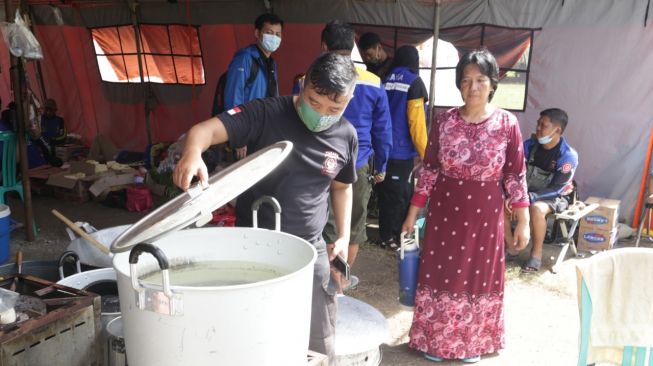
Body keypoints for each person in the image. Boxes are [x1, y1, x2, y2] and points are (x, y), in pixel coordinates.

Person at [173, 52, 358, 365]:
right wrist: (192, 153)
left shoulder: (345, 135)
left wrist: (342, 235)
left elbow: (342, 188)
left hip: (310, 250)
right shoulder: (265, 113)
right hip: (254, 246)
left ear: (349, 100)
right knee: (252, 334)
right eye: (314, 102)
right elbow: (203, 131)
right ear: (303, 85)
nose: (322, 113)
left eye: (334, 108)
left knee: (319, 337)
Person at [401, 48, 530, 363]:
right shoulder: (445, 121)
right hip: (445, 211)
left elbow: (515, 175)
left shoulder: (506, 123)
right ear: (459, 84)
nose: (473, 87)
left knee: (477, 275)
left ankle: (472, 343)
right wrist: (412, 213)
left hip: (485, 215)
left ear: (493, 83)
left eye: (481, 80)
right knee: (439, 272)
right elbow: (429, 170)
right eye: (466, 80)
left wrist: (523, 220)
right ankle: (432, 340)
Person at [319, 20, 392, 291]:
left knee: (324, 222)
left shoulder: (309, 79)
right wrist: (381, 165)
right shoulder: (373, 82)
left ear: (323, 46)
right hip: (358, 164)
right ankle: (342, 280)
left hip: (318, 163)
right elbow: (383, 131)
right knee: (352, 224)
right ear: (352, 47)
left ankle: (326, 277)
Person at [504, 108, 578, 272]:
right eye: (538, 124)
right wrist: (511, 194)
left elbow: (558, 188)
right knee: (502, 202)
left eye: (543, 125)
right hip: (525, 192)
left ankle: (535, 255)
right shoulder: (529, 145)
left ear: (557, 130)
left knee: (537, 209)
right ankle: (512, 248)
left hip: (555, 196)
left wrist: (528, 198)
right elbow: (514, 172)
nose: (538, 128)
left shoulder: (567, 155)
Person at [377, 45, 428, 250]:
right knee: (400, 195)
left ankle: (387, 235)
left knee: (386, 194)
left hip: (382, 147)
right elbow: (417, 123)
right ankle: (391, 238)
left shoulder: (386, 78)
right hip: (401, 150)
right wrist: (426, 153)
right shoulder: (414, 82)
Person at [223, 13, 283, 160]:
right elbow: (233, 98)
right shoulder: (245, 59)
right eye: (269, 33)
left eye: (278, 34)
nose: (274, 38)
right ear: (257, 33)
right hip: (246, 131)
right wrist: (238, 136)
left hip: (262, 130)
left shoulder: (271, 63)